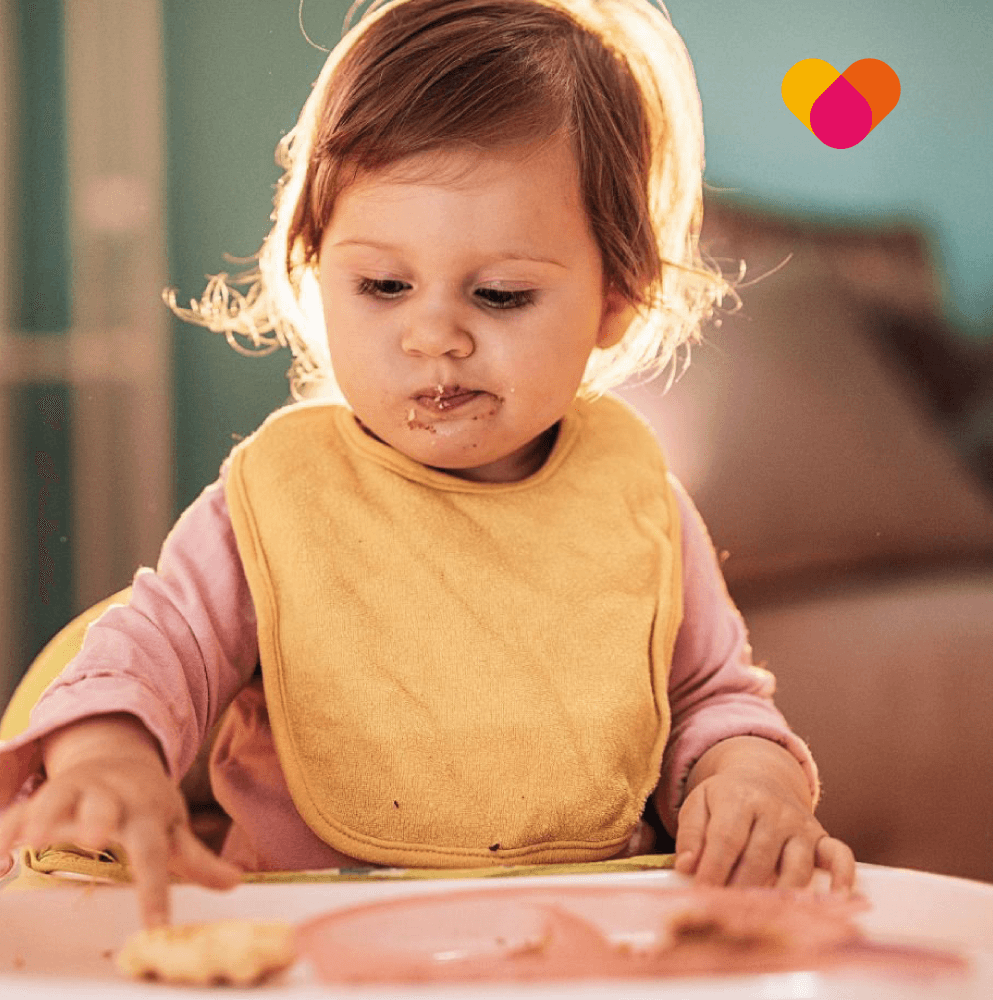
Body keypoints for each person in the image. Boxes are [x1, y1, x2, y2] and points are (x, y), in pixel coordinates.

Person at [0, 0, 855, 928]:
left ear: (616, 296)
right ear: (314, 266)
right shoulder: (281, 498)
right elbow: (154, 650)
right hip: (305, 948)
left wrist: (751, 776)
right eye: (383, 285)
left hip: (598, 942)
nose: (435, 335)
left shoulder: (634, 495)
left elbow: (708, 696)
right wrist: (106, 757)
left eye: (499, 294)